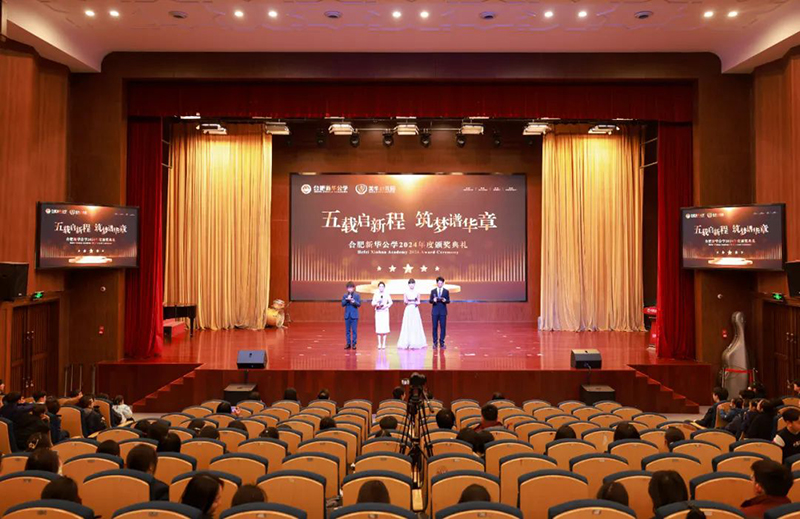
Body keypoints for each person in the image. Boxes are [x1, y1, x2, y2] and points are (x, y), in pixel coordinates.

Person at [397, 279, 427, 350]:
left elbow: (418, 302)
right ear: (408, 284)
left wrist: (413, 302)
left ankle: (415, 342)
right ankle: (407, 342)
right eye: (410, 283)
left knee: (415, 324)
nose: (411, 285)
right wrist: (412, 302)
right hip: (408, 310)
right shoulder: (406, 292)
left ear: (414, 284)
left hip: (415, 309)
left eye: (413, 283)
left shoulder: (417, 292)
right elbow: (405, 302)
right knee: (407, 324)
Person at [429, 276, 450, 350]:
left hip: (443, 312)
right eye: (438, 283)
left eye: (441, 283)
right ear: (437, 283)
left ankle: (442, 342)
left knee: (443, 327)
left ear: (443, 283)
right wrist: (433, 300)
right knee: (434, 327)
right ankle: (435, 342)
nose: (440, 284)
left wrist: (445, 300)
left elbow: (448, 301)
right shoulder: (433, 291)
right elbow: (430, 301)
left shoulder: (446, 291)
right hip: (435, 311)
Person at [372, 281, 393, 350]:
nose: (381, 288)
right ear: (378, 287)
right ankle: (379, 343)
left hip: (384, 312)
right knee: (378, 328)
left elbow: (391, 302)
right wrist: (376, 303)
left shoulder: (387, 294)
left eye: (382, 286)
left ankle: (384, 343)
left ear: (384, 287)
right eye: (380, 286)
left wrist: (386, 306)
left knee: (384, 328)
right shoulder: (376, 294)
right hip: (378, 312)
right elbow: (372, 303)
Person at [342, 281, 361, 350]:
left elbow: (359, 304)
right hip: (347, 315)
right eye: (348, 288)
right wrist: (347, 300)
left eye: (351, 288)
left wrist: (353, 301)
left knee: (354, 330)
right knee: (347, 331)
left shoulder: (357, 295)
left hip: (354, 315)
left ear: (353, 288)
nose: (350, 289)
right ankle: (348, 343)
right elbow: (342, 304)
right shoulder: (345, 295)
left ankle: (354, 344)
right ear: (347, 289)